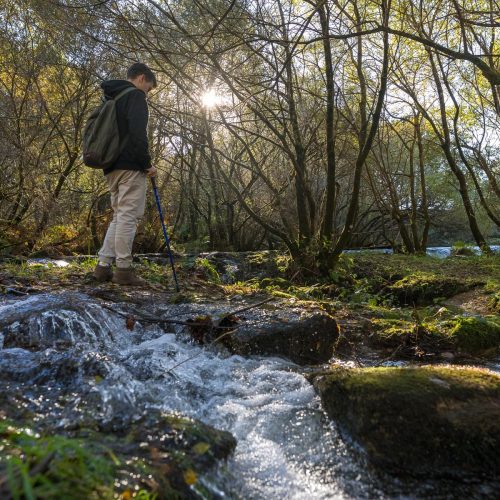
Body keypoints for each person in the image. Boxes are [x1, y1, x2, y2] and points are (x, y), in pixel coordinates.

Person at [93, 63, 157, 285]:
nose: (147, 93)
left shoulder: (112, 97)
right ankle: (123, 271)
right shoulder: (135, 97)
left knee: (119, 216)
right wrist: (147, 164)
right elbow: (138, 134)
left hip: (111, 166)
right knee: (128, 217)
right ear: (141, 78)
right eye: (148, 88)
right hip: (131, 167)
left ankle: (102, 267)